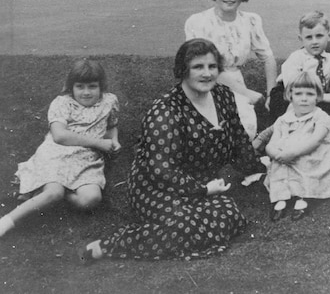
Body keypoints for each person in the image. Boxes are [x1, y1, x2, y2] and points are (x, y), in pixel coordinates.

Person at [79, 39, 265, 262]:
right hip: (156, 188)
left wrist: (260, 168)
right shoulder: (165, 111)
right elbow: (162, 171)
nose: (207, 74)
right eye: (198, 67)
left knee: (229, 213)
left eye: (212, 66)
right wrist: (203, 190)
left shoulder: (223, 96)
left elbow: (238, 140)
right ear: (183, 70)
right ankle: (108, 246)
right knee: (183, 226)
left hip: (203, 184)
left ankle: (190, 228)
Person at [0, 59, 120, 238]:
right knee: (54, 192)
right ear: (71, 87)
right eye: (80, 86)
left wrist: (114, 140)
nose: (86, 92)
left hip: (87, 158)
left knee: (91, 199)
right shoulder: (62, 103)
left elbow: (111, 126)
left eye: (92, 86)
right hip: (58, 152)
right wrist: (99, 143)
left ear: (101, 86)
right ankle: (7, 221)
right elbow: (60, 136)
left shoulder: (109, 101)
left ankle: (44, 193)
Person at [185, 0, 277, 138]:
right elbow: (205, 68)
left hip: (235, 82)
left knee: (245, 128)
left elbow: (268, 57)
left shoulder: (251, 20)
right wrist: (247, 93)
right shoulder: (198, 22)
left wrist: (272, 94)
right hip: (203, 82)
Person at [252, 70, 330, 222]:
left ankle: (303, 197)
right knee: (279, 166)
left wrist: (293, 153)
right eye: (298, 94)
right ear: (290, 96)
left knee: (306, 163)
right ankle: (280, 198)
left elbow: (314, 141)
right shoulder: (284, 119)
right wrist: (276, 154)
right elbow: (272, 142)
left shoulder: (320, 117)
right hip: (287, 156)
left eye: (309, 94)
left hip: (314, 153)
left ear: (318, 97)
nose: (303, 99)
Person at [268, 11, 330, 120]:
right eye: (309, 37)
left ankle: (313, 130)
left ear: (328, 36)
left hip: (318, 95)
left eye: (319, 36)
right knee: (282, 104)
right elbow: (293, 87)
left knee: (329, 115)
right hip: (291, 92)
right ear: (301, 39)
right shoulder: (296, 58)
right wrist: (323, 97)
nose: (314, 42)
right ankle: (282, 129)